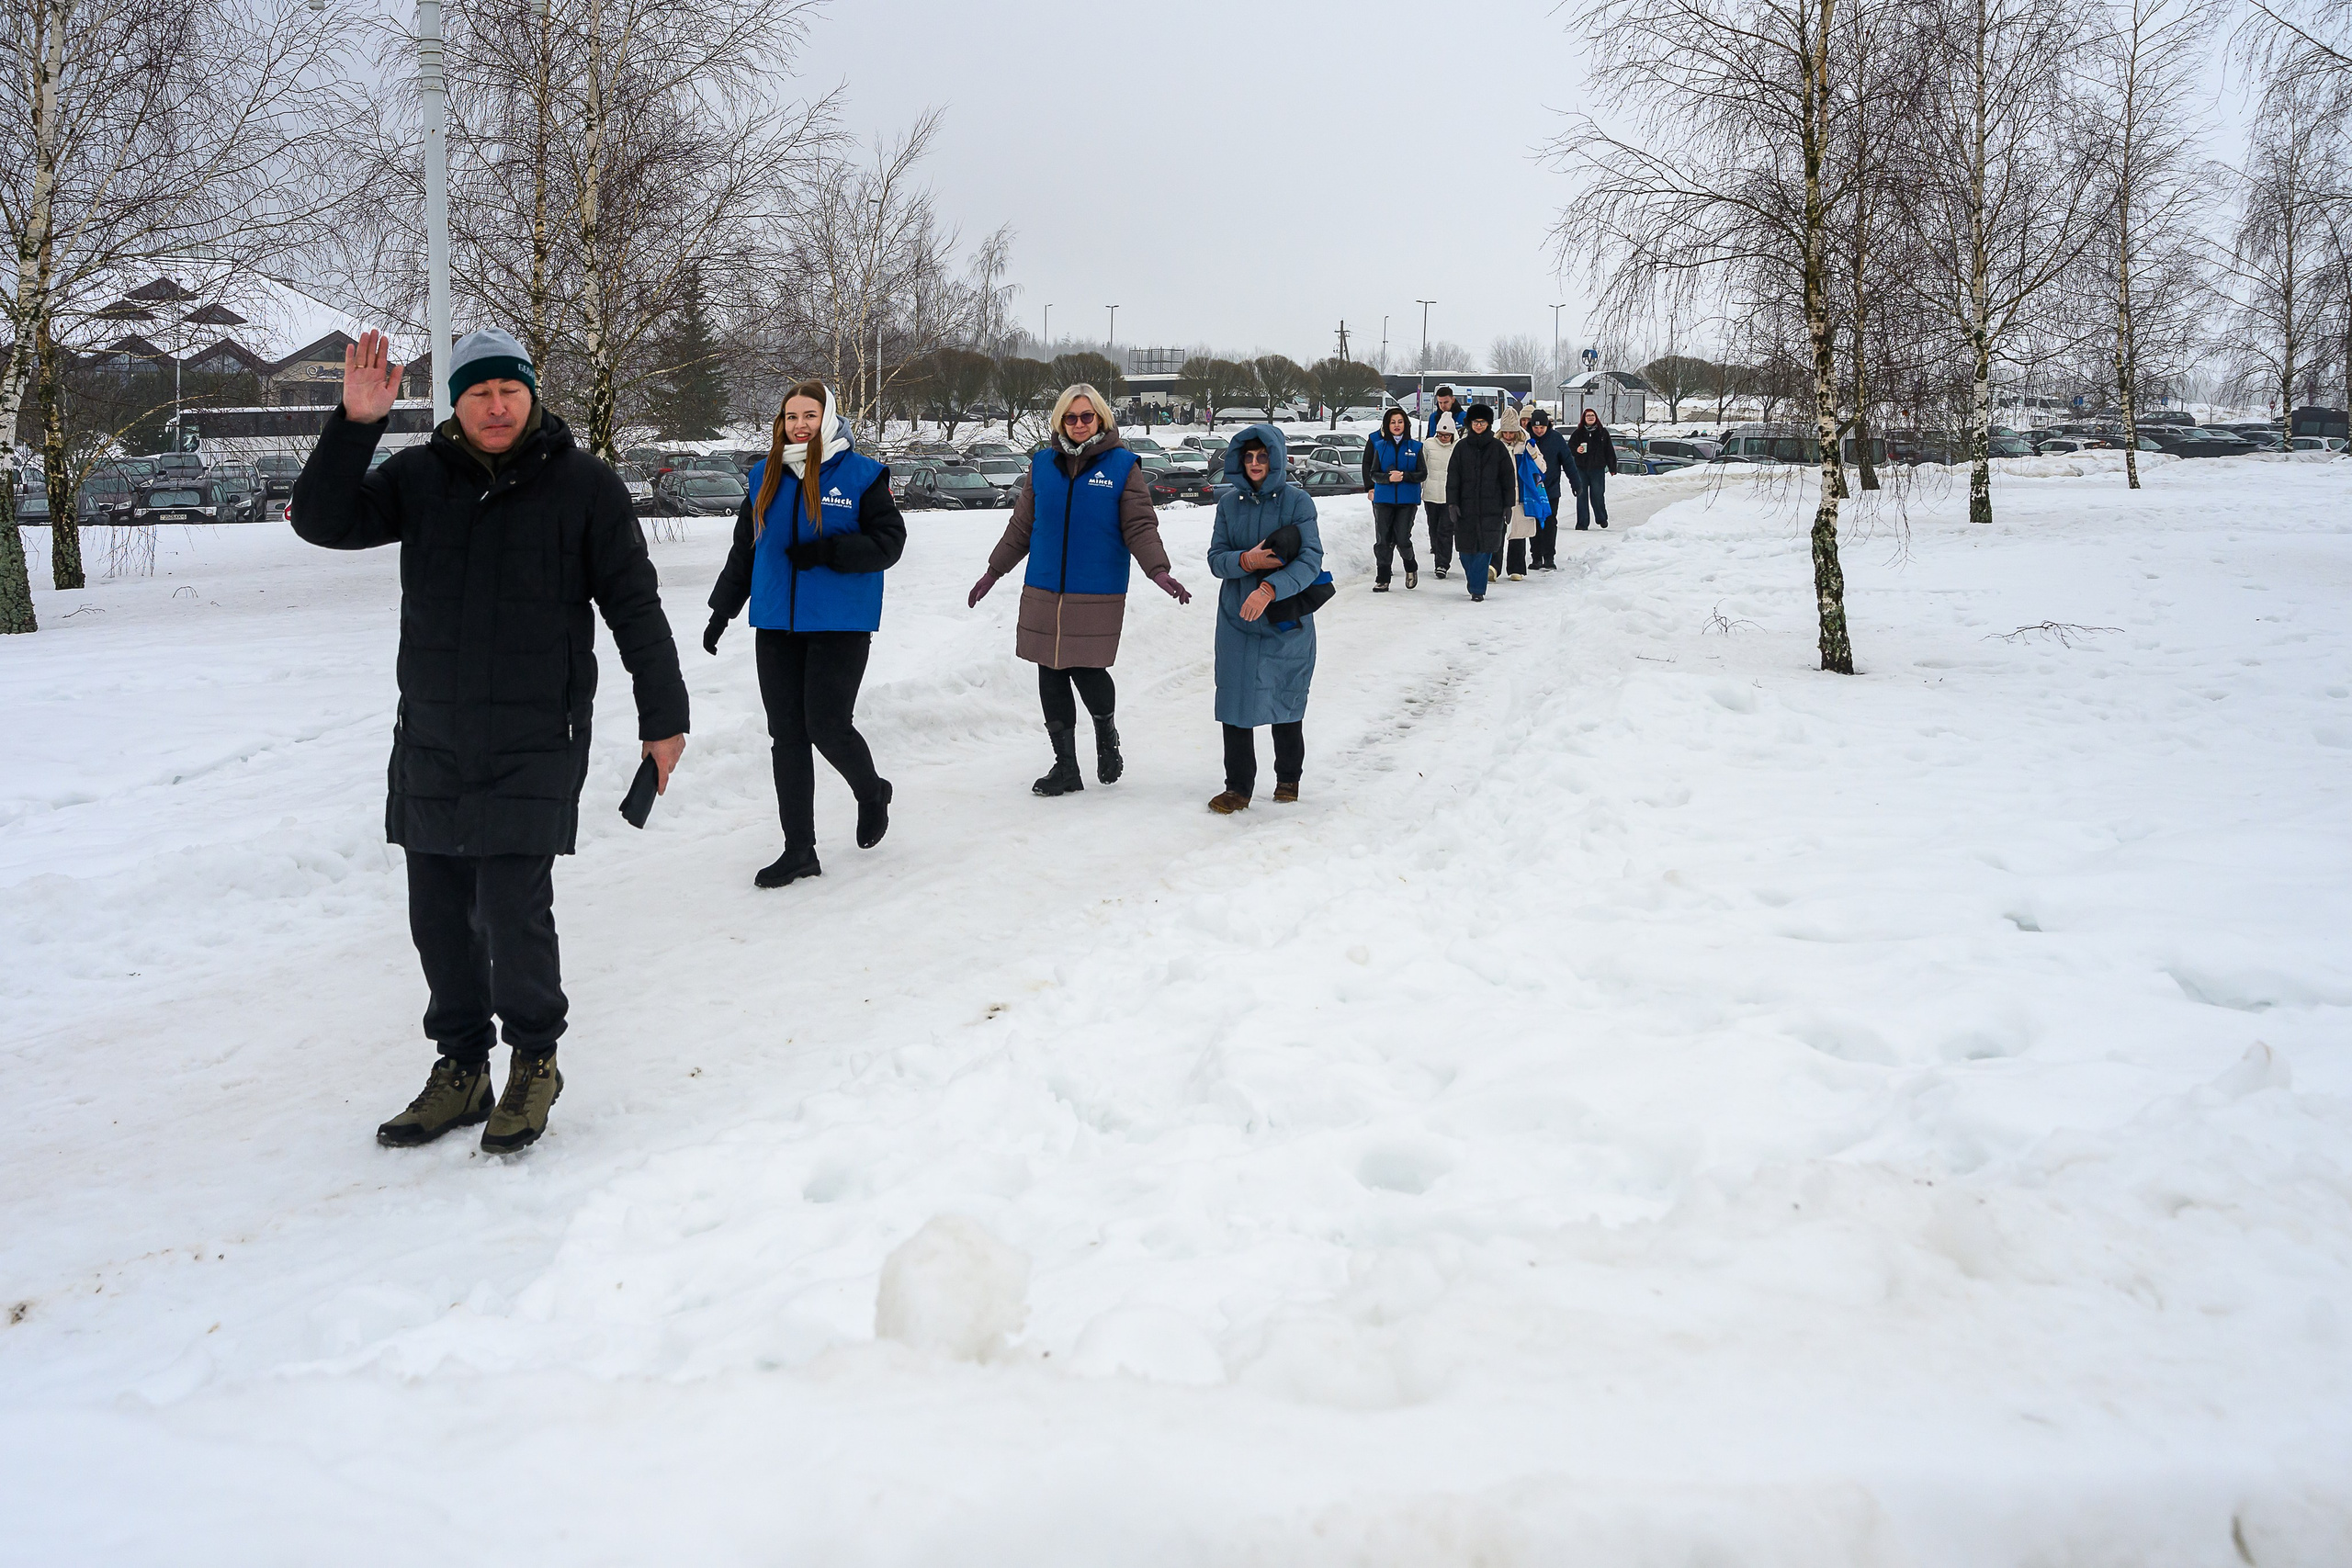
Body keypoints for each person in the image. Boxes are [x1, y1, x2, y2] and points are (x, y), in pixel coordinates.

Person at [291, 327, 689, 1156]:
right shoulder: (418, 478)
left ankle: (535, 1058)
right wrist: (356, 425)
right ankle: (463, 1065)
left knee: (511, 910)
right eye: (479, 392)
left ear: (532, 394)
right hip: (434, 734)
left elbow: (634, 605)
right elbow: (323, 521)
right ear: (456, 404)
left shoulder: (584, 485)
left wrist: (663, 716)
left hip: (537, 735)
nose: (497, 406)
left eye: (510, 390)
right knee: (438, 915)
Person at [705, 380, 905, 890]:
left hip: (840, 623)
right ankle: (799, 850)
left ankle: (871, 791)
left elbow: (890, 542)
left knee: (827, 725)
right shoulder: (763, 476)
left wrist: (831, 552)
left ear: (828, 418)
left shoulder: (862, 476)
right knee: (787, 735)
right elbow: (745, 550)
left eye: (810, 416)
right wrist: (722, 610)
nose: (799, 425)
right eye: (791, 416)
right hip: (776, 623)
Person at [970, 383, 1190, 795]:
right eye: (1070, 418)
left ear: (1100, 419)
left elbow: (1140, 526)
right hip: (1044, 586)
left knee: (1087, 669)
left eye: (1086, 416)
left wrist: (1158, 571)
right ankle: (1066, 766)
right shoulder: (1042, 465)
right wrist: (993, 572)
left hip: (1097, 588)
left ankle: (1106, 737)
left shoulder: (1122, 466)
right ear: (1060, 421)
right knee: (1049, 671)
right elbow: (1021, 527)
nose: (1078, 424)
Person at [1207, 426, 1322, 811]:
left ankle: (1288, 778)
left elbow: (1310, 560)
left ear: (1275, 458)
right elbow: (1216, 559)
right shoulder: (1228, 504)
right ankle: (1237, 787)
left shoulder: (1298, 502)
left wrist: (1270, 588)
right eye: (1248, 456)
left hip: (1284, 618)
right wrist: (1246, 561)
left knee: (1284, 696)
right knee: (1235, 700)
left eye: (1262, 456)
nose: (1255, 463)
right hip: (1237, 618)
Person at [1444, 403, 1515, 602]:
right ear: (1470, 423)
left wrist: (1508, 505)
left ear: (1488, 424)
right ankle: (1474, 581)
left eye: (1482, 422)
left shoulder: (1498, 448)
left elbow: (1508, 478)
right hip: (1465, 507)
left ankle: (1477, 589)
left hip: (1492, 507)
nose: (1479, 425)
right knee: (1465, 552)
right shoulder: (1461, 447)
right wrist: (1452, 503)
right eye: (1475, 422)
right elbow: (1453, 477)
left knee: (1485, 550)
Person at [1360, 406, 1425, 592]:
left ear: (1406, 424)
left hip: (1407, 501)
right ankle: (1383, 577)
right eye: (1393, 422)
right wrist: (1388, 478)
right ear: (1387, 425)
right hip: (1383, 499)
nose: (1397, 425)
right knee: (1383, 540)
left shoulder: (1416, 447)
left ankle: (1410, 566)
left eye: (1400, 422)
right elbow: (1373, 473)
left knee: (1402, 538)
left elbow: (1422, 474)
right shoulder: (1380, 446)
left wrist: (1405, 476)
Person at [1525, 408, 1571, 570]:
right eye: (1536, 427)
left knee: (1550, 523)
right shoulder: (1526, 438)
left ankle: (1549, 557)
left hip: (1550, 490)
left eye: (1542, 427)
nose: (1539, 431)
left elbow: (1568, 461)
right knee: (1535, 524)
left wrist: (1576, 483)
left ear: (1547, 426)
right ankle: (1536, 557)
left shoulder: (1556, 438)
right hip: (1531, 490)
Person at [1498, 415, 1539, 581]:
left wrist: (1534, 453)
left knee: (1518, 532)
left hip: (1521, 495)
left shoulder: (1525, 445)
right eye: (1505, 432)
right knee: (1496, 531)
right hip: (1499, 495)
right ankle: (1493, 566)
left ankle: (1517, 568)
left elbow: (1542, 468)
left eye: (1511, 432)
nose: (1508, 436)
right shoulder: (1495, 445)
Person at [1421, 412, 1459, 579]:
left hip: (1449, 497)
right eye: (1441, 435)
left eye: (1447, 435)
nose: (1443, 438)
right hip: (1431, 495)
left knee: (1446, 530)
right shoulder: (1428, 445)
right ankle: (1437, 552)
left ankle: (1442, 564)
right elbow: (1422, 467)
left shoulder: (1458, 446)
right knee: (1434, 528)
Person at [1570, 407, 1616, 529]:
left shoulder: (1602, 432)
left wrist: (1612, 467)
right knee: (1581, 495)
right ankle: (1582, 523)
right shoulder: (1578, 433)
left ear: (1596, 418)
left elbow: (1609, 450)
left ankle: (1601, 518)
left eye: (1592, 415)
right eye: (1588, 416)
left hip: (1597, 469)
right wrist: (1576, 450)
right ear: (1584, 418)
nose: (1590, 417)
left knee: (1597, 494)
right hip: (1581, 468)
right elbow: (1570, 447)